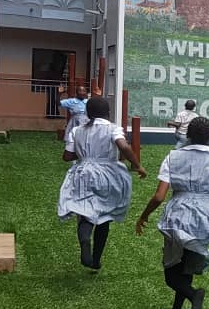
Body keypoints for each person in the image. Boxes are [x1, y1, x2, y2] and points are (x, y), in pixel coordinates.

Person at [136, 117, 209, 309]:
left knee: (172, 272)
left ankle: (193, 294)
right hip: (205, 215)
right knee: (187, 267)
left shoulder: (173, 157)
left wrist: (144, 215)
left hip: (178, 213)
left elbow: (160, 196)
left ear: (187, 134)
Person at [57, 96, 147, 270]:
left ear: (88, 113)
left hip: (82, 173)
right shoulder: (113, 128)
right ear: (108, 113)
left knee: (84, 212)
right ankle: (96, 260)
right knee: (104, 216)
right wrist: (137, 165)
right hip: (108, 174)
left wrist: (87, 156)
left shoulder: (77, 130)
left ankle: (84, 242)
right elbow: (124, 146)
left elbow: (67, 156)